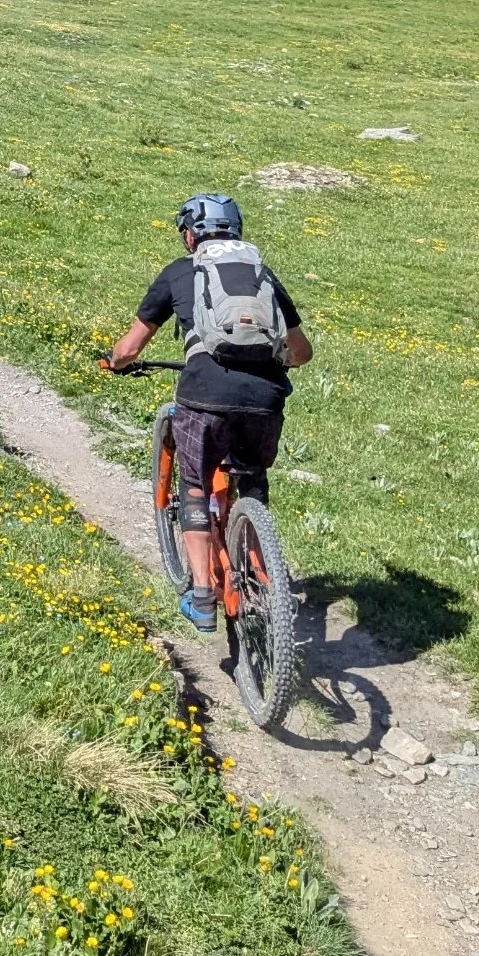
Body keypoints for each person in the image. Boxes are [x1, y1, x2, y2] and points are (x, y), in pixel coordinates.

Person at [108, 192, 312, 630]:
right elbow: (302, 351)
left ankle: (202, 597)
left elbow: (130, 347)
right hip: (266, 400)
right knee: (252, 481)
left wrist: (115, 361)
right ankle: (263, 578)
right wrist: (272, 362)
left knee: (196, 485)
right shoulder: (264, 278)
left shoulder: (180, 273)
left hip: (204, 395)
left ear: (189, 235)